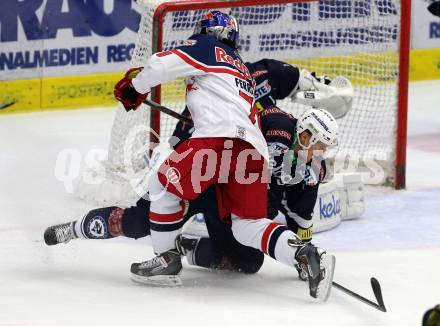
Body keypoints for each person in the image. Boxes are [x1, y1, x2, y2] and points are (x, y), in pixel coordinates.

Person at [46, 12, 350, 300]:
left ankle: (166, 260)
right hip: (249, 150)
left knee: (162, 187)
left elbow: (160, 64)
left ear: (208, 32)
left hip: (216, 140)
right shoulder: (241, 71)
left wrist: (134, 89)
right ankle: (302, 254)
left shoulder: (207, 47)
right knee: (248, 225)